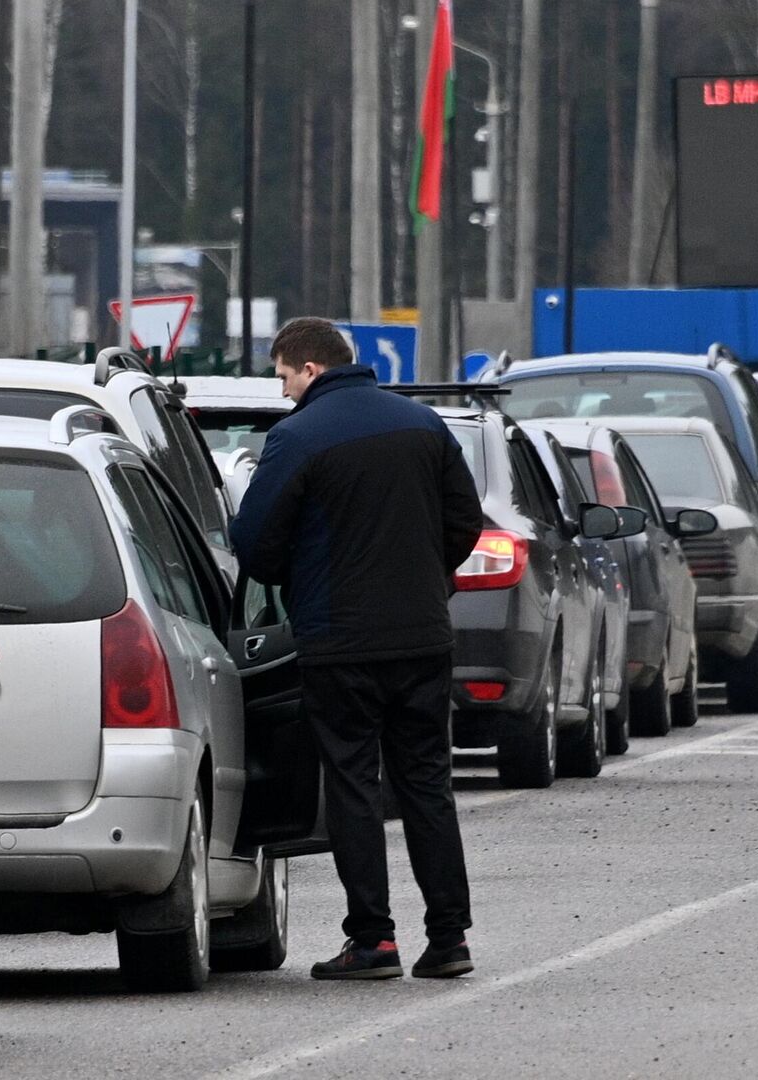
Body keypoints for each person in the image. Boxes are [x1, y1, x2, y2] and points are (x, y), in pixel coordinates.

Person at [229, 317, 484, 979]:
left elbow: (254, 544)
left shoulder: (297, 437)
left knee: (353, 787)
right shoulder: (423, 425)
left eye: (283, 375)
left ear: (309, 368)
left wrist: (304, 579)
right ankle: (450, 939)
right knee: (427, 785)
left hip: (338, 643)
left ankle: (373, 941)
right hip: (423, 635)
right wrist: (424, 579)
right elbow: (464, 521)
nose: (282, 390)